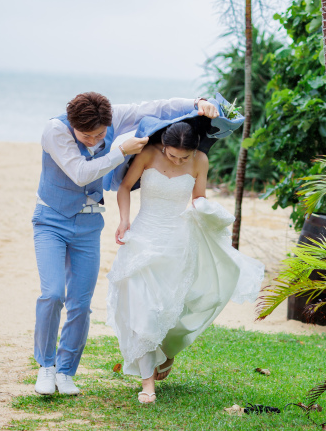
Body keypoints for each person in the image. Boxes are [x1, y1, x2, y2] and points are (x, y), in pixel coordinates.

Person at [32, 92, 219, 396]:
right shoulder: (55, 130)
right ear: (72, 126)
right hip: (51, 220)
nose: (93, 140)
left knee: (80, 303)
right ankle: (46, 367)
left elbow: (157, 106)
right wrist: (119, 150)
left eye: (100, 134)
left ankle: (66, 371)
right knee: (53, 294)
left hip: (89, 222)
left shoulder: (115, 117)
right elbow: (81, 173)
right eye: (86, 136)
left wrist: (198, 102)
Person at [106, 120, 264, 404]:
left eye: (184, 157)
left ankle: (166, 351)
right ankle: (147, 384)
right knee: (142, 307)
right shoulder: (148, 154)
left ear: (194, 151)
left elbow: (198, 197)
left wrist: (210, 211)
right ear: (163, 146)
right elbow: (125, 188)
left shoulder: (200, 160)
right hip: (143, 236)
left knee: (170, 308)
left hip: (178, 240)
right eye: (172, 155)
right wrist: (124, 220)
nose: (178, 161)